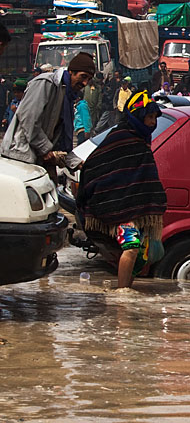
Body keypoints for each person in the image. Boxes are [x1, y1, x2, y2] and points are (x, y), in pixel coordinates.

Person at [77, 91, 167, 288]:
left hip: (134, 209)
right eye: (149, 117)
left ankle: (125, 291)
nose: (153, 122)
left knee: (136, 251)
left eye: (154, 117)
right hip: (119, 209)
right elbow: (94, 166)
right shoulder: (122, 137)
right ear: (138, 116)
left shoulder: (142, 139)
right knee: (132, 248)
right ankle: (122, 296)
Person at [1, 51, 95, 174]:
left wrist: (76, 162)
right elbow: (28, 119)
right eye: (83, 77)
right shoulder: (46, 83)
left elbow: (59, 142)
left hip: (40, 162)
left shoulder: (67, 95)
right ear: (71, 71)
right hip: (21, 159)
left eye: (88, 79)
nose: (84, 83)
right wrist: (45, 149)